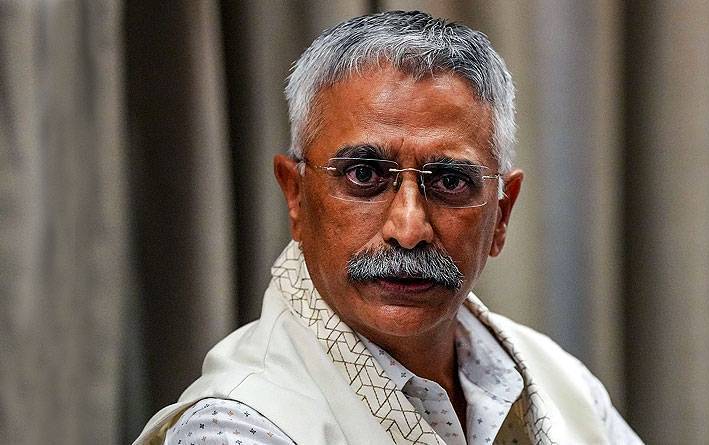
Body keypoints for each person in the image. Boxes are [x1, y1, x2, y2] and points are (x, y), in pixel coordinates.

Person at [134, 10, 642, 445]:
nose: (409, 228)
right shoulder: (236, 426)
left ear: (501, 214)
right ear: (296, 196)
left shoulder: (561, 383)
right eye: (364, 175)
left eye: (449, 181)